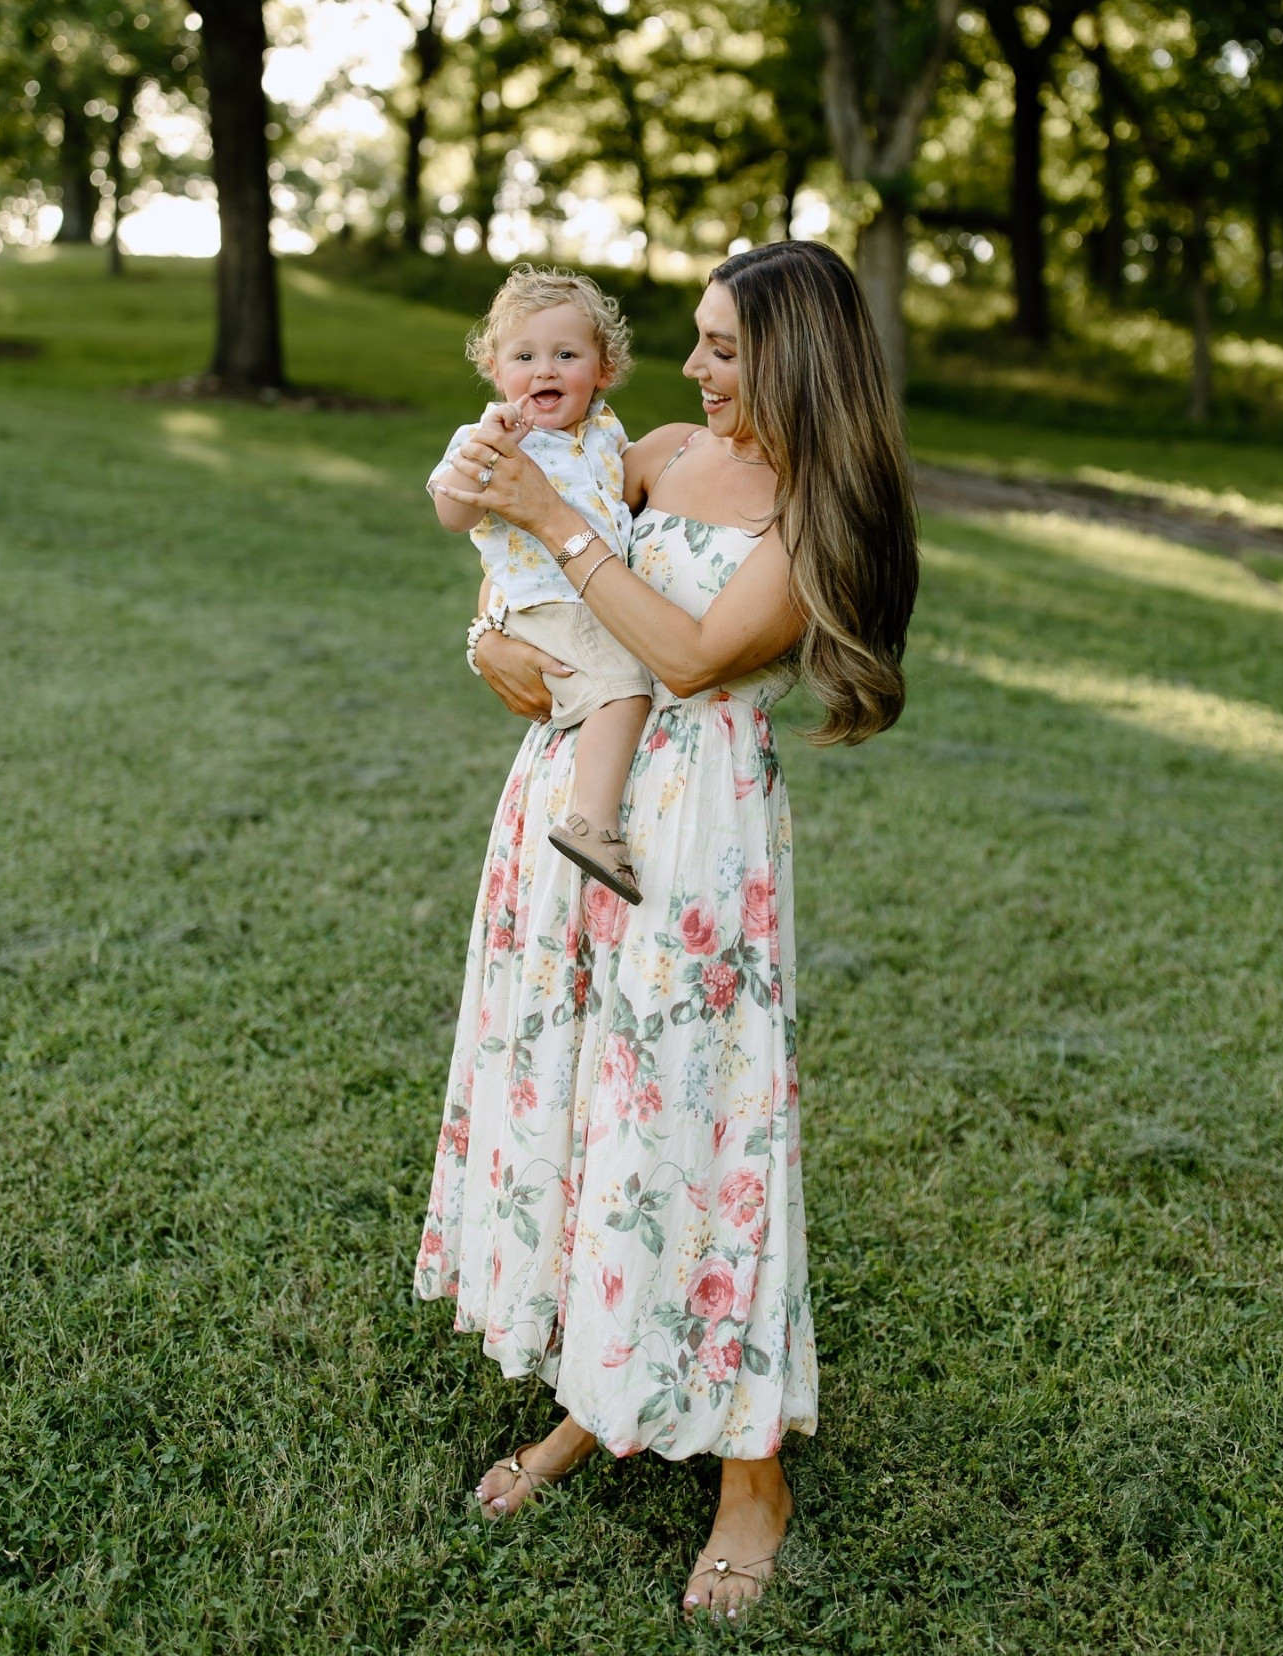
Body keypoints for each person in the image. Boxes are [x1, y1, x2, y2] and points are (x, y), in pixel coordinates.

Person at [415, 240, 919, 1620]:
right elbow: (529, 568)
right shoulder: (654, 454)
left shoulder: (817, 506)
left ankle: (754, 1476)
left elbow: (691, 657)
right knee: (589, 1098)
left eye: (724, 348)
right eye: (695, 338)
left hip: (696, 835)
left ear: (796, 360)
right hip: (571, 800)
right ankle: (598, 1391)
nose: (692, 368)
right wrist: (487, 636)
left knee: (698, 1113)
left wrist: (556, 523)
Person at [429, 265, 652, 902]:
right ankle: (591, 823)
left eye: (565, 355)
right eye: (524, 357)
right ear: (496, 371)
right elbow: (451, 515)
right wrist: (483, 457)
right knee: (624, 686)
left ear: (604, 369)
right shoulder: (489, 438)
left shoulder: (607, 434)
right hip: (546, 601)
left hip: (594, 594)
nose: (544, 370)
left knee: (622, 678)